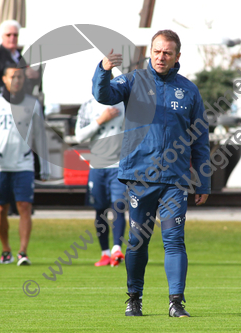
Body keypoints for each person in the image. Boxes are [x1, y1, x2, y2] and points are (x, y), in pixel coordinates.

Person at [92, 30, 210, 317]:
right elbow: (103, 95)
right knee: (137, 241)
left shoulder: (189, 91)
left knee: (174, 239)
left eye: (167, 52)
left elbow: (201, 139)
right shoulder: (133, 81)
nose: (161, 56)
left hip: (175, 179)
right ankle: (134, 299)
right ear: (151, 53)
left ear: (177, 56)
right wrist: (103, 70)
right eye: (157, 51)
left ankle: (176, 303)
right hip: (140, 177)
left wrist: (203, 182)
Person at [0, 64, 50, 266]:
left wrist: (44, 166)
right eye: (12, 77)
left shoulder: (32, 103)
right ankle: (5, 249)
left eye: (19, 77)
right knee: (0, 209)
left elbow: (40, 136)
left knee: (25, 207)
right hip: (0, 165)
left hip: (24, 164)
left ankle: (23, 252)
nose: (16, 81)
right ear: (4, 79)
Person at [0, 19, 42, 214]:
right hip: (4, 116)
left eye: (15, 35)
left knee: (27, 152)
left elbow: (33, 88)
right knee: (2, 158)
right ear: (2, 37)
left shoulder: (22, 58)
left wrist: (34, 76)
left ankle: (23, 203)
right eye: (8, 35)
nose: (12, 38)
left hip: (24, 115)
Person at [75, 97, 127, 267]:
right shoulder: (87, 106)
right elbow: (79, 135)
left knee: (118, 207)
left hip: (119, 165)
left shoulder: (125, 103)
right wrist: (100, 120)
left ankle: (117, 250)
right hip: (97, 166)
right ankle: (105, 253)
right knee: (100, 210)